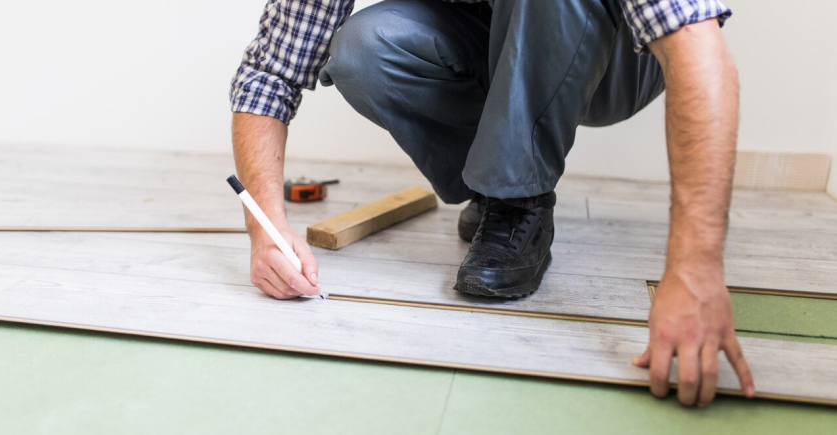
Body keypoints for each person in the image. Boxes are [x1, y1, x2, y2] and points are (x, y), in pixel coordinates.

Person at [228, 0, 754, 407]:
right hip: (489, 36)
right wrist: (265, 228)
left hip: (613, 52)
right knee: (364, 48)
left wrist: (695, 271)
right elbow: (270, 74)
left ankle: (516, 196)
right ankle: (501, 189)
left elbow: (699, 52)